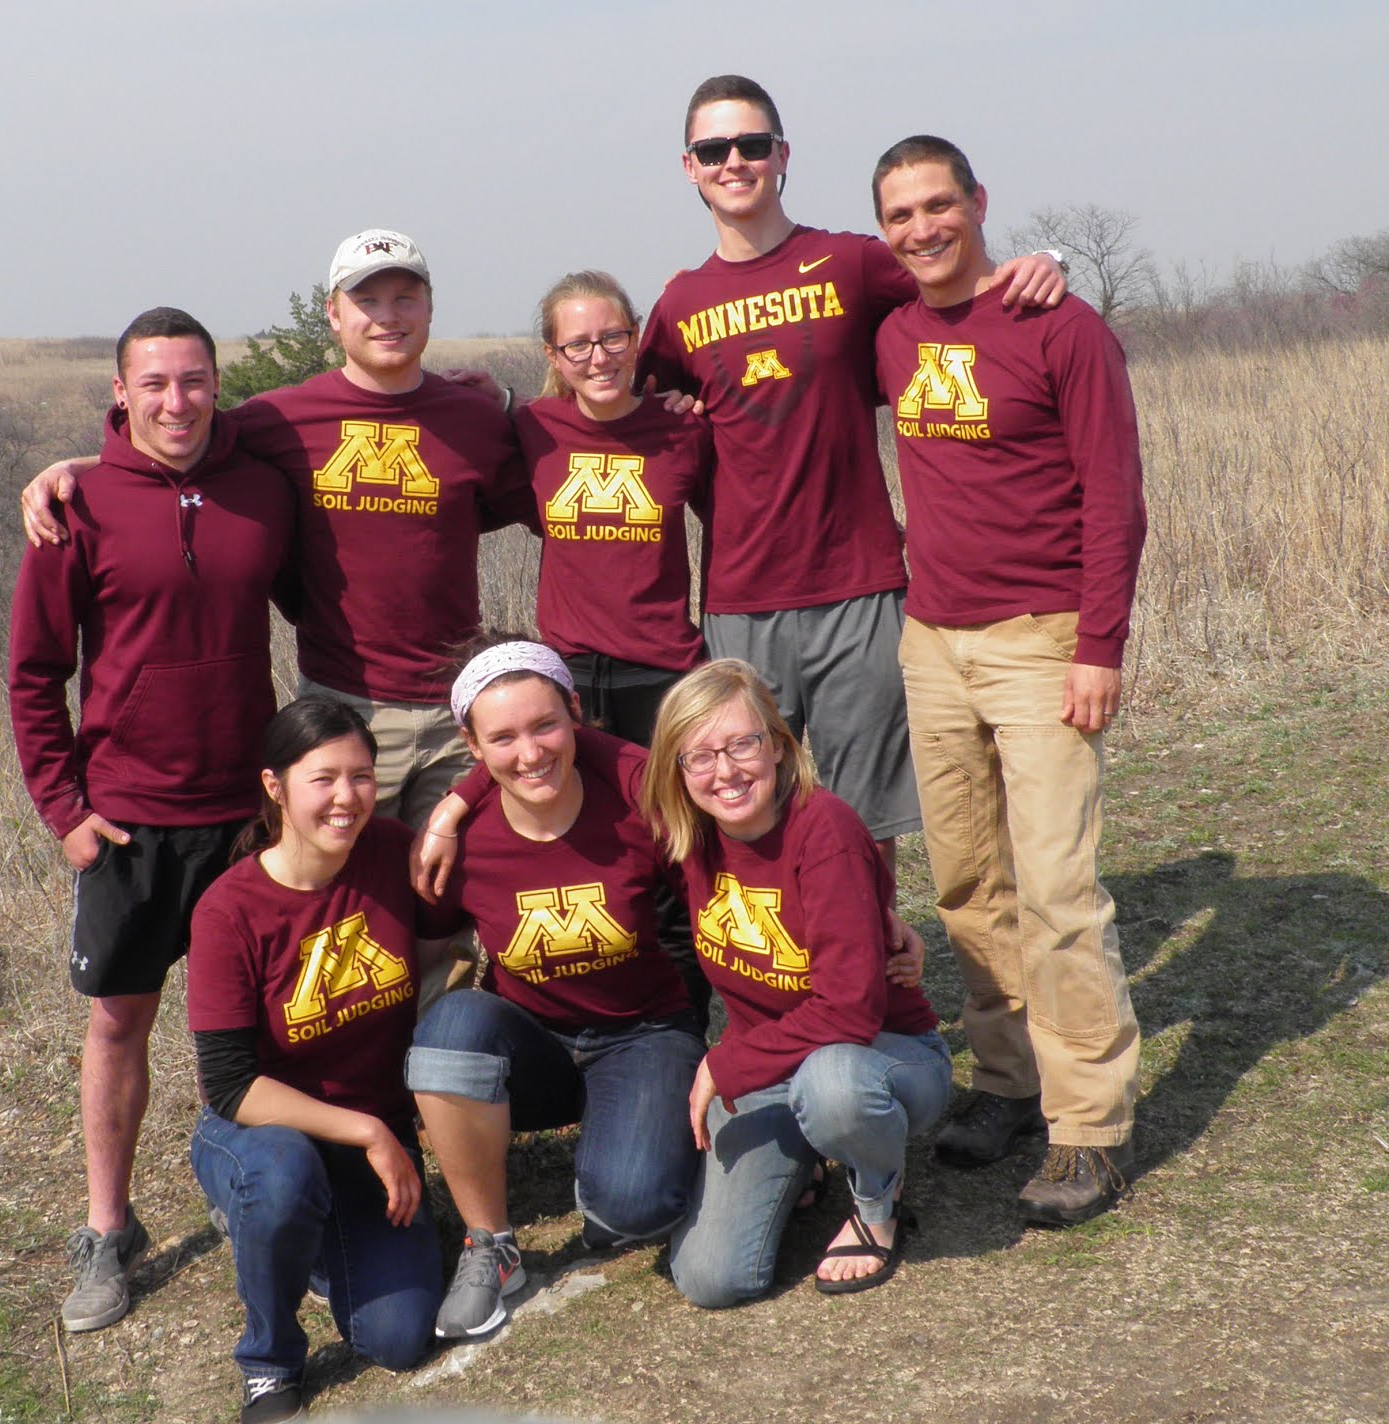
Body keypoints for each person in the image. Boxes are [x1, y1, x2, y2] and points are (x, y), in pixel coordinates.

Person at [636, 75, 1067, 874]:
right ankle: (781, 987)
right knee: (747, 807)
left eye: (753, 145)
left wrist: (1043, 260)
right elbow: (626, 414)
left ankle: (873, 982)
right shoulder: (678, 306)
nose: (736, 161)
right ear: (689, 167)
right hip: (740, 596)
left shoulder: (851, 263)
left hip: (860, 588)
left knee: (869, 821)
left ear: (782, 155)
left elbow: (961, 283)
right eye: (714, 149)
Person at [20, 229, 532, 828]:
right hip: (343, 708)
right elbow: (175, 441)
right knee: (353, 904)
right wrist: (83, 467)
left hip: (458, 711)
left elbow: (558, 495)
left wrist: (512, 402)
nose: (387, 317)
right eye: (367, 302)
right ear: (334, 315)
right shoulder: (280, 420)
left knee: (454, 899)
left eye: (405, 299)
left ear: (429, 309)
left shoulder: (474, 419)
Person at [871, 136, 1146, 1224]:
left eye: (939, 205)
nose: (921, 228)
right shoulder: (891, 331)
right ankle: (1007, 1082)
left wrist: (1100, 646)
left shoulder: (1061, 327)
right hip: (929, 639)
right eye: (900, 214)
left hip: (1042, 640)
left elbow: (1114, 497)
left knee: (1059, 894)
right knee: (968, 886)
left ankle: (1089, 1126)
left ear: (978, 204)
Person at [7, 306, 296, 1333]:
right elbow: (36, 674)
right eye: (156, 383)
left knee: (262, 1024)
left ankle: (280, 1203)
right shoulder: (77, 505)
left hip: (246, 818)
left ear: (218, 384)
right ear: (120, 393)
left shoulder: (263, 484)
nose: (178, 400)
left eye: (195, 379)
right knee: (119, 1020)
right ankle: (107, 1227)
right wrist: (65, 812)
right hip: (128, 819)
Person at [405, 640, 704, 1340]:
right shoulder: (464, 836)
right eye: (502, 737)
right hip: (533, 1043)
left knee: (634, 1210)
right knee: (449, 1027)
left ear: (576, 716)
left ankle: (635, 1131)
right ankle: (491, 1245)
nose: (530, 753)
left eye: (545, 726)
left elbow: (726, 901)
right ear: (471, 746)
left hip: (643, 1031)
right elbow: (422, 956)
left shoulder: (636, 797)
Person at [641, 659, 950, 1304]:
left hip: (881, 1057)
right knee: (710, 1279)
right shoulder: (692, 835)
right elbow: (546, 762)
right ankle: (805, 1156)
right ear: (676, 770)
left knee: (832, 1084)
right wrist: (457, 803)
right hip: (777, 1066)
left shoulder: (825, 828)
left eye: (742, 744)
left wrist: (723, 1065)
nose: (724, 772)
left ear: (780, 746)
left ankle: (875, 1199)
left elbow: (848, 1013)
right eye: (698, 756)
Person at [187, 697, 443, 1424]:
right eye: (323, 778)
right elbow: (232, 1084)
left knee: (397, 1339)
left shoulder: (392, 853)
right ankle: (269, 1358)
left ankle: (312, 1235)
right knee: (282, 1175)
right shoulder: (228, 911)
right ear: (276, 787)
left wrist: (457, 811)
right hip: (262, 1128)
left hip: (372, 1133)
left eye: (361, 776)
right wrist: (368, 1132)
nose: (346, 797)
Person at [519, 270, 711, 743]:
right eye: (578, 345)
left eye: (613, 338)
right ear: (553, 356)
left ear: (636, 337)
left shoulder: (683, 429)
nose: (599, 358)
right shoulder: (531, 427)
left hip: (663, 673)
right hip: (568, 677)